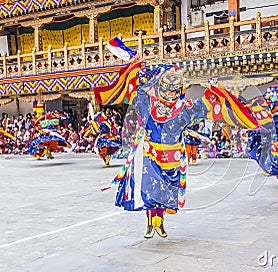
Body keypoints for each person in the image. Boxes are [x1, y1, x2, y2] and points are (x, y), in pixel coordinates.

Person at [94, 37, 260, 239]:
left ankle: (159, 222)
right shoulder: (149, 106)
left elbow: (205, 106)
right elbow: (138, 90)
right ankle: (149, 223)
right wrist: (134, 66)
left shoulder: (184, 110)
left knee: (165, 193)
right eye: (167, 91)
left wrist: (212, 91)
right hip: (151, 155)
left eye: (174, 92)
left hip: (172, 158)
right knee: (150, 190)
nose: (170, 96)